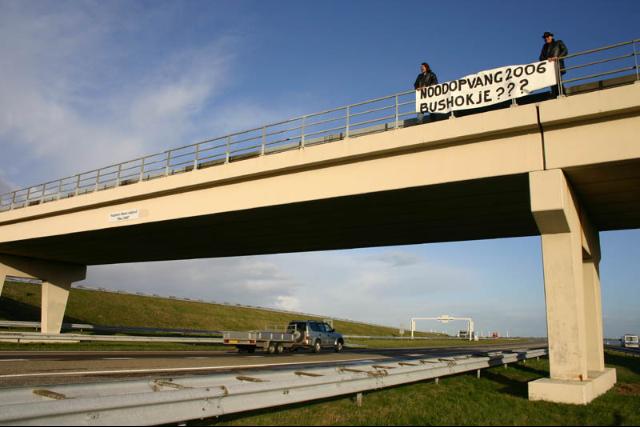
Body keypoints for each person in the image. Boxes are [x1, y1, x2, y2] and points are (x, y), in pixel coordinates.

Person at [539, 31, 568, 97]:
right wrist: (547, 59)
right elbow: (541, 58)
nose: (546, 38)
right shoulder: (544, 47)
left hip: (558, 65)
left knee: (558, 81)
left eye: (548, 37)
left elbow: (565, 51)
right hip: (549, 68)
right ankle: (555, 95)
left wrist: (557, 57)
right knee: (552, 83)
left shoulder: (558, 42)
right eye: (545, 37)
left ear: (551, 37)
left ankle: (562, 94)